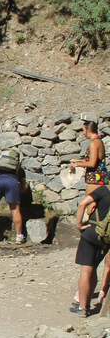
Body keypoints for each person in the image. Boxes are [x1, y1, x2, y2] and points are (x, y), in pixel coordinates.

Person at [73, 184, 110, 317]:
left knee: (86, 269)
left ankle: (83, 307)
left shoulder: (104, 190)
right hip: (106, 238)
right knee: (93, 268)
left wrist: (78, 224)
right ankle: (87, 303)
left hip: (91, 232)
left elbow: (82, 204)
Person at [70, 120, 107, 197]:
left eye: (84, 130)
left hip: (95, 179)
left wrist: (77, 164)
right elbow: (93, 160)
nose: (83, 133)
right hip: (100, 178)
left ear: (89, 130)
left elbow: (92, 163)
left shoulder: (93, 143)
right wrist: (77, 160)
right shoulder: (98, 141)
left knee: (89, 206)